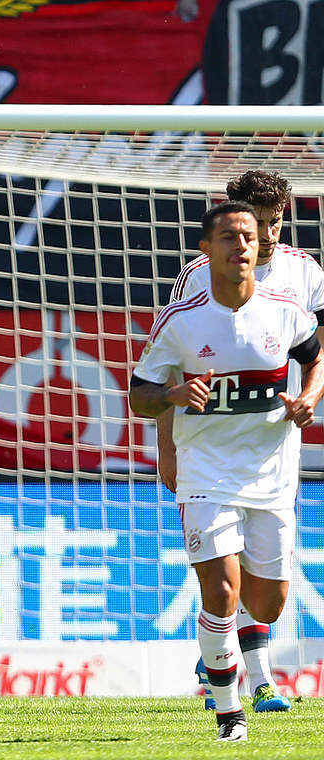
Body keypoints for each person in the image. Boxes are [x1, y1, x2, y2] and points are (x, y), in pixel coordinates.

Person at [129, 200, 323, 742]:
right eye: (229, 236)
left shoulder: (285, 308)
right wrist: (171, 393)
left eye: (249, 235)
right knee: (220, 592)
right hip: (205, 472)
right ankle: (229, 713)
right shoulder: (180, 320)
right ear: (205, 249)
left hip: (271, 473)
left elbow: (316, 355)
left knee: (267, 602)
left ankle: (229, 655)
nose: (242, 244)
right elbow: (139, 395)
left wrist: (309, 396)